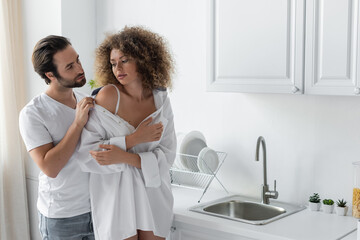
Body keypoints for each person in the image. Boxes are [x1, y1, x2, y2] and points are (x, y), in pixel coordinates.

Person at [76, 26, 176, 240]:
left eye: (125, 60)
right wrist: (133, 139)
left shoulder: (160, 100)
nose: (117, 68)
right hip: (116, 196)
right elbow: (87, 153)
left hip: (153, 193)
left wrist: (126, 157)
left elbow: (168, 155)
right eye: (113, 63)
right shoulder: (108, 96)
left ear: (143, 59)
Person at [18, 35, 96, 239]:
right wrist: (78, 123)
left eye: (78, 60)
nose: (80, 69)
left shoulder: (84, 99)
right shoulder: (33, 113)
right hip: (62, 218)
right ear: (50, 74)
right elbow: (50, 167)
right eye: (70, 67)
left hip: (96, 208)